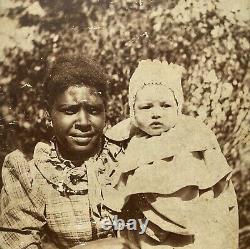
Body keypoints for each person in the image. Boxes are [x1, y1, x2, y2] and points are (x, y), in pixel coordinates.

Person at [0, 55, 138, 249]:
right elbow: (17, 244)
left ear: (105, 112)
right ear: (49, 114)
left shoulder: (130, 157)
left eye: (93, 109)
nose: (83, 122)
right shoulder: (32, 175)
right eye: (70, 110)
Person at [104, 59, 239, 248]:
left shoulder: (193, 133)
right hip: (148, 226)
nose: (156, 113)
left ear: (178, 107)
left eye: (165, 106)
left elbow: (215, 184)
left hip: (192, 217)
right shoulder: (130, 139)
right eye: (146, 107)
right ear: (133, 111)